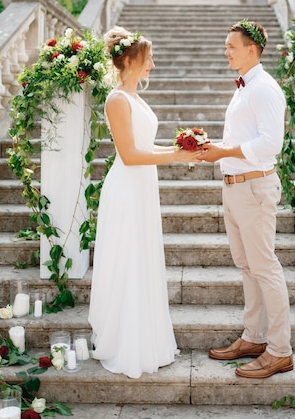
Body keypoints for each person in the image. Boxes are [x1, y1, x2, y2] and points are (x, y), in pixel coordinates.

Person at [88, 26, 203, 378]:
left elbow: (144, 147)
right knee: (127, 258)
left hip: (142, 188)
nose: (152, 63)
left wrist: (179, 151)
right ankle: (125, 343)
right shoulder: (117, 100)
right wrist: (176, 158)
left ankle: (146, 339)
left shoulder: (135, 98)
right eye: (148, 57)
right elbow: (129, 155)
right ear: (132, 59)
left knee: (142, 258)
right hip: (126, 188)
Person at [202, 19, 293, 379]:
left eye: (231, 46)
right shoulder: (244, 87)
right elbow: (244, 137)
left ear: (251, 49)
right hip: (236, 186)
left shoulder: (265, 89)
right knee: (247, 266)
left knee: (265, 267)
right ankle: (254, 337)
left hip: (254, 188)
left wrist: (224, 150)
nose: (226, 51)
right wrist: (216, 151)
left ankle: (280, 350)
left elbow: (272, 144)